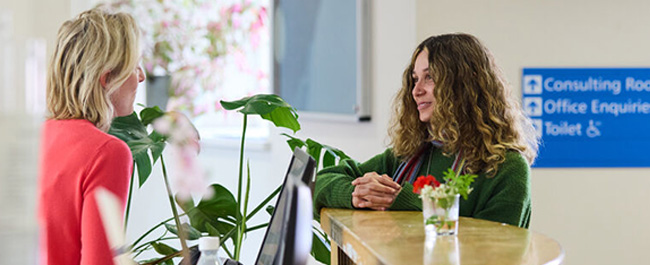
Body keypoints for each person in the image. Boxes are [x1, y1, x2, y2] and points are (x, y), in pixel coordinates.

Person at [313, 33, 539, 228]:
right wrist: (357, 195)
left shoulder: (508, 168)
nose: (416, 91)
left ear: (463, 86)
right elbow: (321, 183)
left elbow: (489, 250)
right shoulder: (411, 153)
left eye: (429, 77)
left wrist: (397, 200)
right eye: (415, 79)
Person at [38, 7, 145, 264]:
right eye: (135, 67)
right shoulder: (108, 152)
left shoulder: (38, 135)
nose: (141, 77)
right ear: (107, 78)